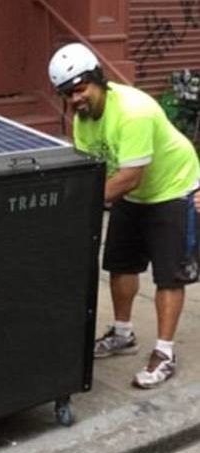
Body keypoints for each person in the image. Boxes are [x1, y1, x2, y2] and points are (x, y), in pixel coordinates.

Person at [48, 42, 200, 389]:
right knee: (121, 264)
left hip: (172, 187)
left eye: (80, 88)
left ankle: (165, 353)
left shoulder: (134, 112)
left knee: (169, 276)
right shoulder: (83, 120)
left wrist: (77, 207)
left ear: (98, 79)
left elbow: (131, 176)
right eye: (67, 94)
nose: (75, 99)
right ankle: (122, 334)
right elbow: (93, 171)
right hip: (130, 193)